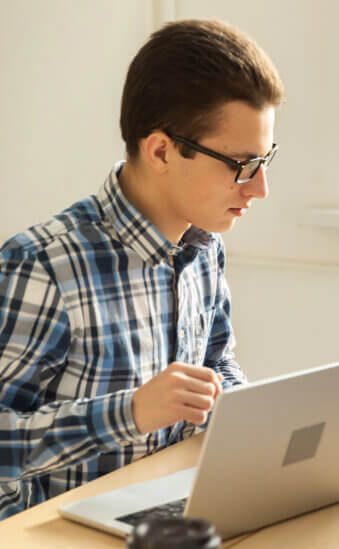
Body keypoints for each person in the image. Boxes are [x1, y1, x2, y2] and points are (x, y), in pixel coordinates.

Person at [0, 19, 284, 519]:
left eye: (266, 160)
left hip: (169, 517)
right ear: (161, 151)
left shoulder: (204, 246)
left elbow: (218, 366)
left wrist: (254, 418)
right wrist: (128, 414)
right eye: (241, 164)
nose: (259, 188)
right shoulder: (42, 266)